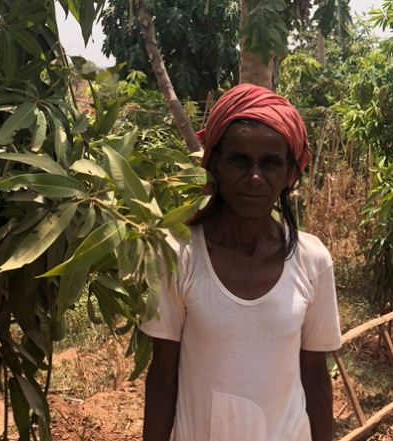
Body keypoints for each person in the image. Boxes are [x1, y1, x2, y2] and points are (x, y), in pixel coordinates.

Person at [141, 83, 342, 441]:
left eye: (270, 163)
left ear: (289, 175)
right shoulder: (178, 254)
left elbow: (315, 377)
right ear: (214, 163)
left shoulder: (312, 261)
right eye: (239, 160)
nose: (254, 177)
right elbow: (162, 377)